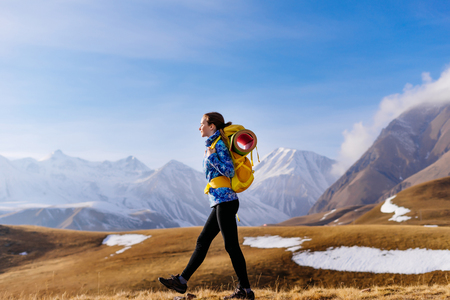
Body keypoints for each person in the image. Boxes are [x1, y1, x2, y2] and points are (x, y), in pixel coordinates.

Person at [158, 112, 255, 300]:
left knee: (231, 246)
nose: (199, 127)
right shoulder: (213, 143)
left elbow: (229, 170)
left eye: (202, 123)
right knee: (203, 241)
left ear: (212, 126)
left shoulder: (218, 144)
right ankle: (182, 281)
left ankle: (246, 291)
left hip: (226, 201)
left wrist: (211, 158)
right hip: (220, 201)